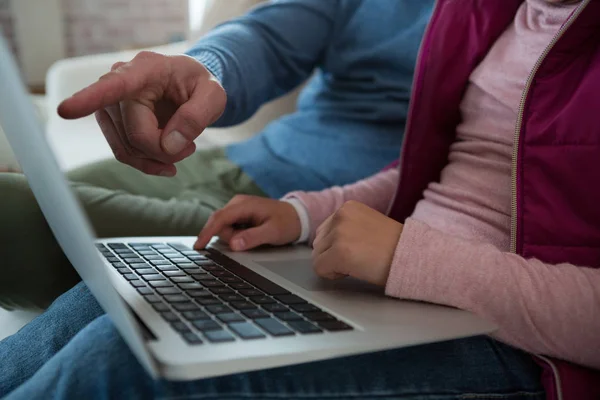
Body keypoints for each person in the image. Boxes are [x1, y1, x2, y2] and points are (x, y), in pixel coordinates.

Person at [2, 0, 600, 399]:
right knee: (108, 302)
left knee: (126, 357)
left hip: (513, 341)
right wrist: (307, 212)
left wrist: (409, 258)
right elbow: (444, 171)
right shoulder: (502, 19)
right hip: (361, 251)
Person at [0, 0, 433, 310]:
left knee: (9, 210)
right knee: (20, 191)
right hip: (229, 161)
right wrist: (205, 70)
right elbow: (266, 38)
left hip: (279, 217)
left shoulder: (491, 26)